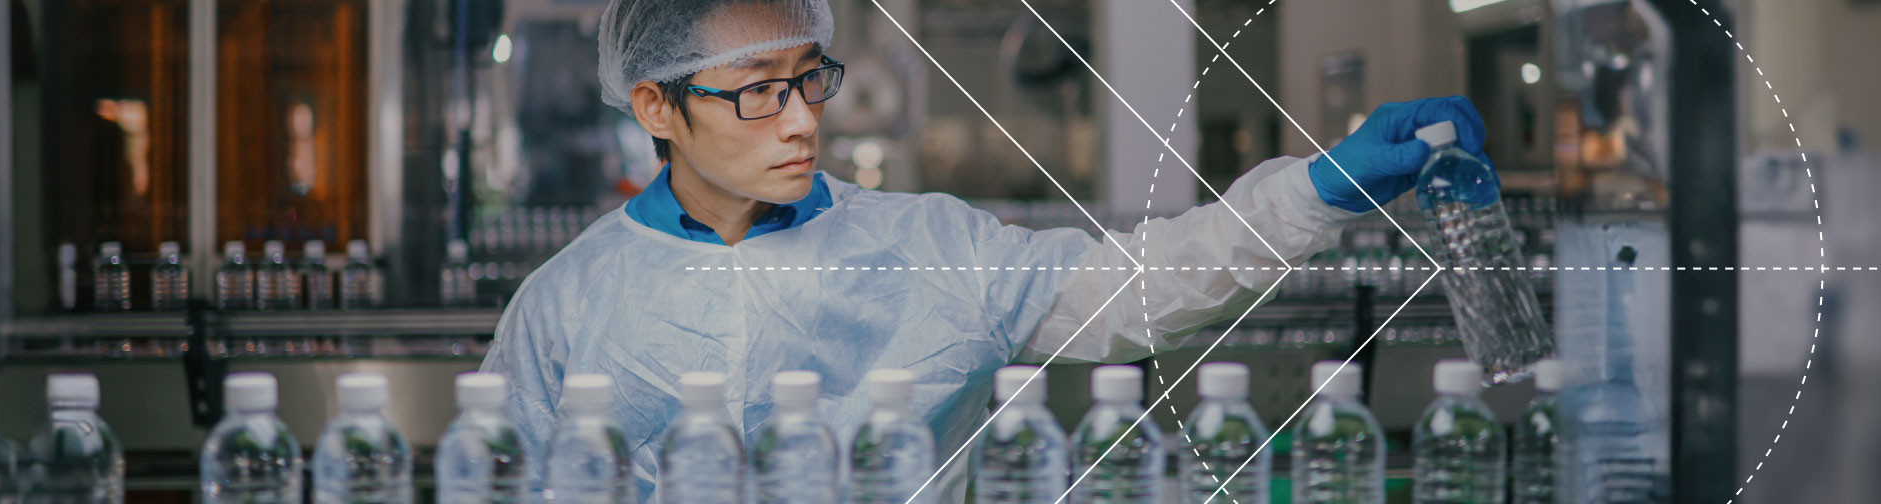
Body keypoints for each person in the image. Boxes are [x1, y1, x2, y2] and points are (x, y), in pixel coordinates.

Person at [480, 0, 1493, 501]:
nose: (797, 122)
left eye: (808, 79)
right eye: (754, 90)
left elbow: (1141, 290)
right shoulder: (565, 306)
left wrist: (1315, 189)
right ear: (653, 104)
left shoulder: (925, 246)